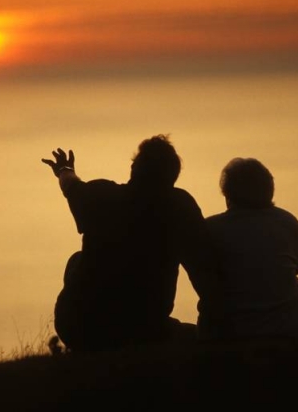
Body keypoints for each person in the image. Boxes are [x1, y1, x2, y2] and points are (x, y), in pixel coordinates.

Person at [41, 135, 213, 353]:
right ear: (172, 176)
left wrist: (64, 169)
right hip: (144, 328)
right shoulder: (180, 205)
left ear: (134, 168)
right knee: (190, 336)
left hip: (77, 327)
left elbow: (71, 186)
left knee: (77, 259)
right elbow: (201, 269)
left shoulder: (100, 195)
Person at [197, 157, 298, 342]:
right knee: (294, 284)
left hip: (233, 333)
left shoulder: (210, 229)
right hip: (289, 330)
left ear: (228, 194)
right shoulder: (287, 222)